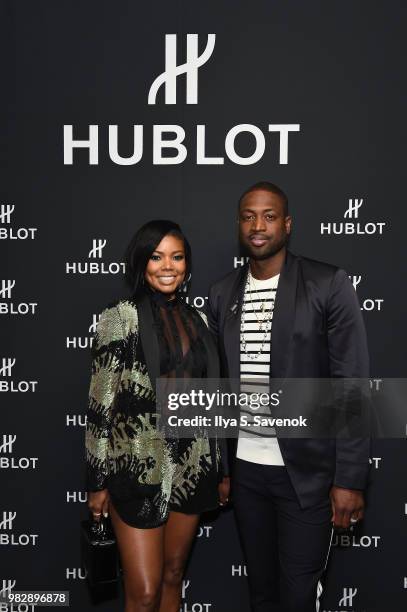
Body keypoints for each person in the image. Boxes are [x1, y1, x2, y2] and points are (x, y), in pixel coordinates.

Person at [206, 182, 370, 612]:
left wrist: (349, 478)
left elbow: (349, 383)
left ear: (287, 224)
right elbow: (220, 386)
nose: (257, 226)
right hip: (246, 474)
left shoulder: (327, 283)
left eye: (269, 216)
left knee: (298, 597)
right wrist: (224, 468)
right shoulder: (223, 292)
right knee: (262, 594)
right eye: (248, 216)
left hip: (307, 474)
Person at [85, 220, 227, 612]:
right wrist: (97, 481)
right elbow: (101, 404)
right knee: (144, 591)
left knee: (172, 574)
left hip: (190, 468)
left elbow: (211, 401)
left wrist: (221, 467)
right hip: (135, 471)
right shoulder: (121, 318)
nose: (168, 266)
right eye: (157, 256)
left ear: (187, 264)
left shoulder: (199, 322)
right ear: (141, 263)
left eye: (177, 257)